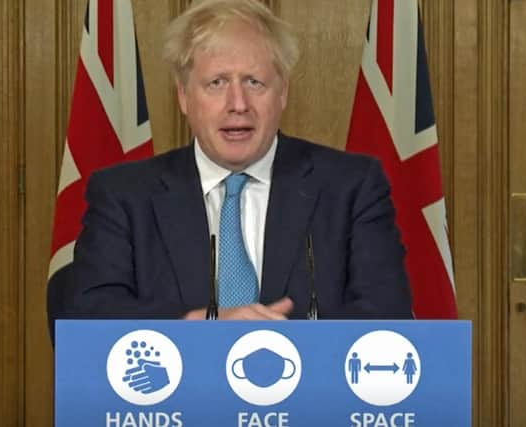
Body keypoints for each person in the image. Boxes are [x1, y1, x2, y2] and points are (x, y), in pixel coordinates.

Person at [47, 0, 412, 339]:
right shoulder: (124, 195)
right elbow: (87, 315)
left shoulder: (351, 187)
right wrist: (198, 326)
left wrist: (282, 344)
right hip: (172, 405)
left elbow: (388, 314)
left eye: (254, 82)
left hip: (311, 404)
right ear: (184, 96)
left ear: (282, 92)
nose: (238, 104)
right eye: (216, 83)